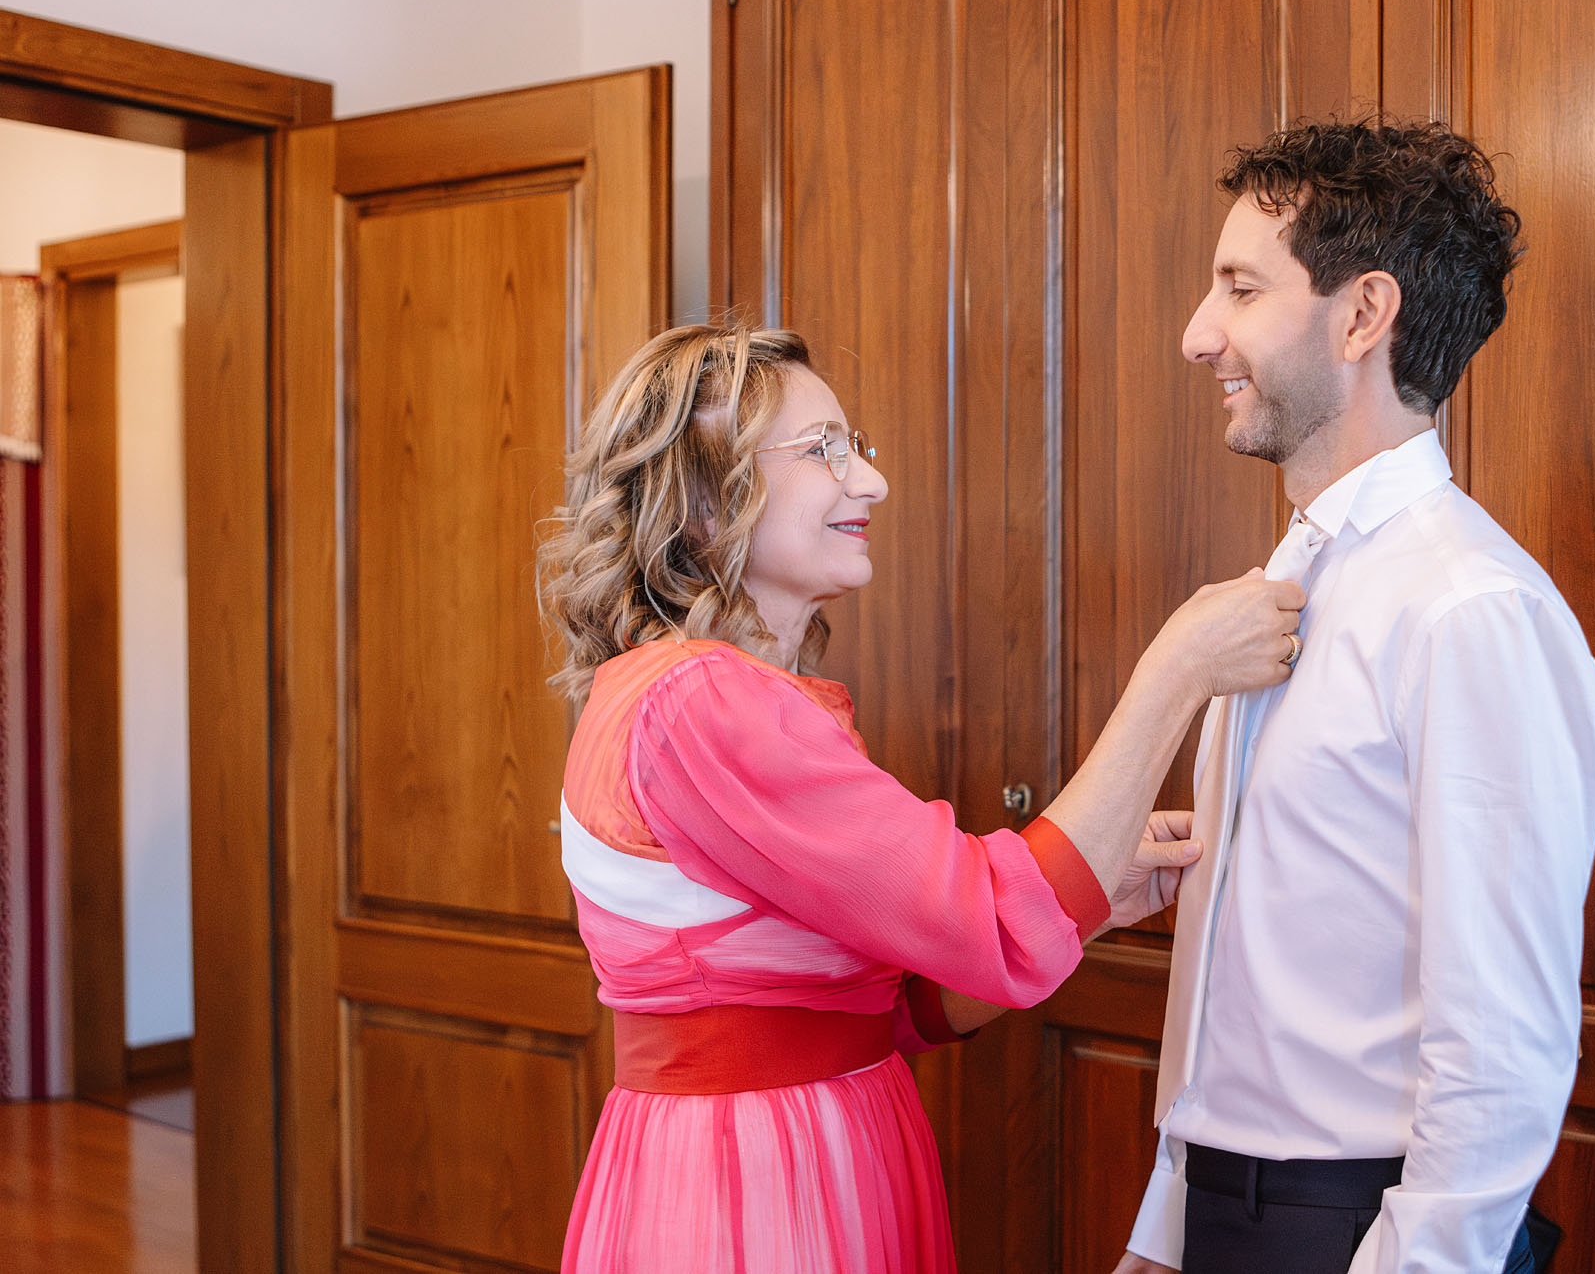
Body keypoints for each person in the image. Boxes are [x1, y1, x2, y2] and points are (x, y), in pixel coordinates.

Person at [536, 322, 1304, 1273]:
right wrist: (1175, 669)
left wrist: (1096, 894)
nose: (870, 480)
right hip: (759, 1191)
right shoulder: (702, 704)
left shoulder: (684, 696)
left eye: (855, 445)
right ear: (701, 495)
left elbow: (889, 1009)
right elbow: (984, 916)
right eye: (822, 450)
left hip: (801, 1152)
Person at [1117, 119, 1595, 1274]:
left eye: (1239, 287)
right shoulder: (1287, 582)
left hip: (1356, 1232)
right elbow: (1241, 977)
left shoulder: (1468, 609)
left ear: (1361, 315)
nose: (1198, 335)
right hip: (1222, 1208)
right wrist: (1166, 1224)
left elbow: (1499, 1037)